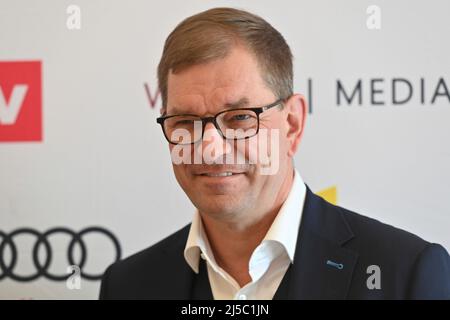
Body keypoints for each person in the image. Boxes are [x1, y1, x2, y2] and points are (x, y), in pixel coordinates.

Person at [99, 7, 450, 299]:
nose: (210, 148)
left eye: (239, 117)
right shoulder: (129, 286)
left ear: (292, 124)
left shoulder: (405, 274)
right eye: (186, 121)